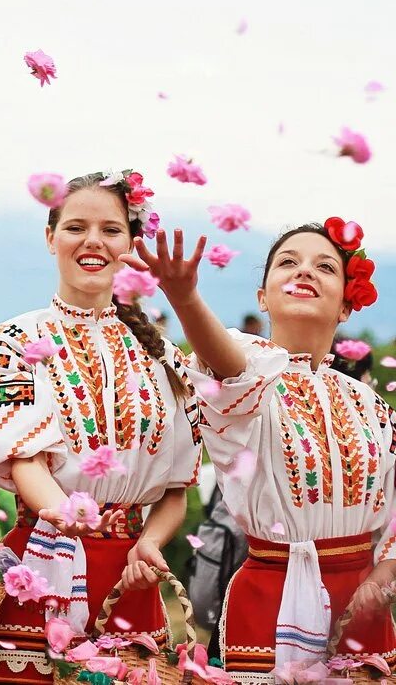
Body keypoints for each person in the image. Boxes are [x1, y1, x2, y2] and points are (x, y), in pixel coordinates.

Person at [129, 218, 395, 680]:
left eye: (325, 267)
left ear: (346, 307)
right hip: (270, 599)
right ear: (262, 297)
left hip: (363, 605)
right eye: (288, 262)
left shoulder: (367, 402)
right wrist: (185, 298)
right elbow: (230, 368)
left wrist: (383, 578)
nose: (305, 271)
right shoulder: (251, 375)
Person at [0, 171, 202, 684]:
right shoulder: (14, 339)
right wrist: (62, 511)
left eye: (111, 230)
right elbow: (24, 455)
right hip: (42, 567)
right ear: (50, 238)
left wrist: (152, 545)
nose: (93, 241)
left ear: (131, 244)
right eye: (75, 227)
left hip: (130, 579)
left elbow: (176, 489)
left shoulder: (161, 352)